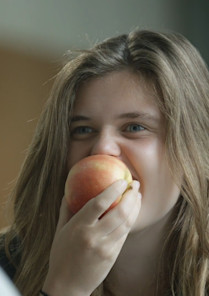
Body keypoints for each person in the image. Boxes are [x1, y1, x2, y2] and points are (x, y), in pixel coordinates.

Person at [0, 29, 208, 296]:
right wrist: (65, 288)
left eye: (134, 127)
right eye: (83, 130)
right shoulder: (6, 269)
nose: (101, 148)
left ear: (193, 146)